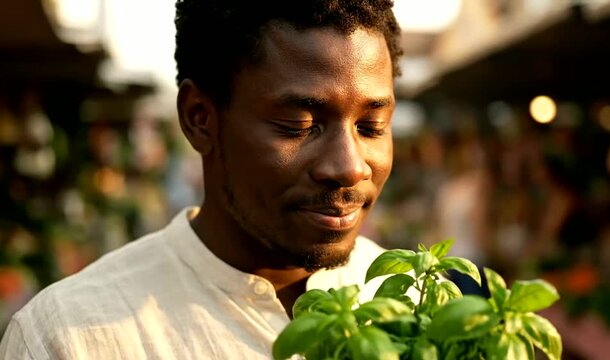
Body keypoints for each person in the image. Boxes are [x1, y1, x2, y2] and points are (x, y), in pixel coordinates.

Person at [0, 0, 403, 358]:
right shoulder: (68, 339)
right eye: (298, 125)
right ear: (200, 119)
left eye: (371, 126)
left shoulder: (409, 293)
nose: (350, 167)